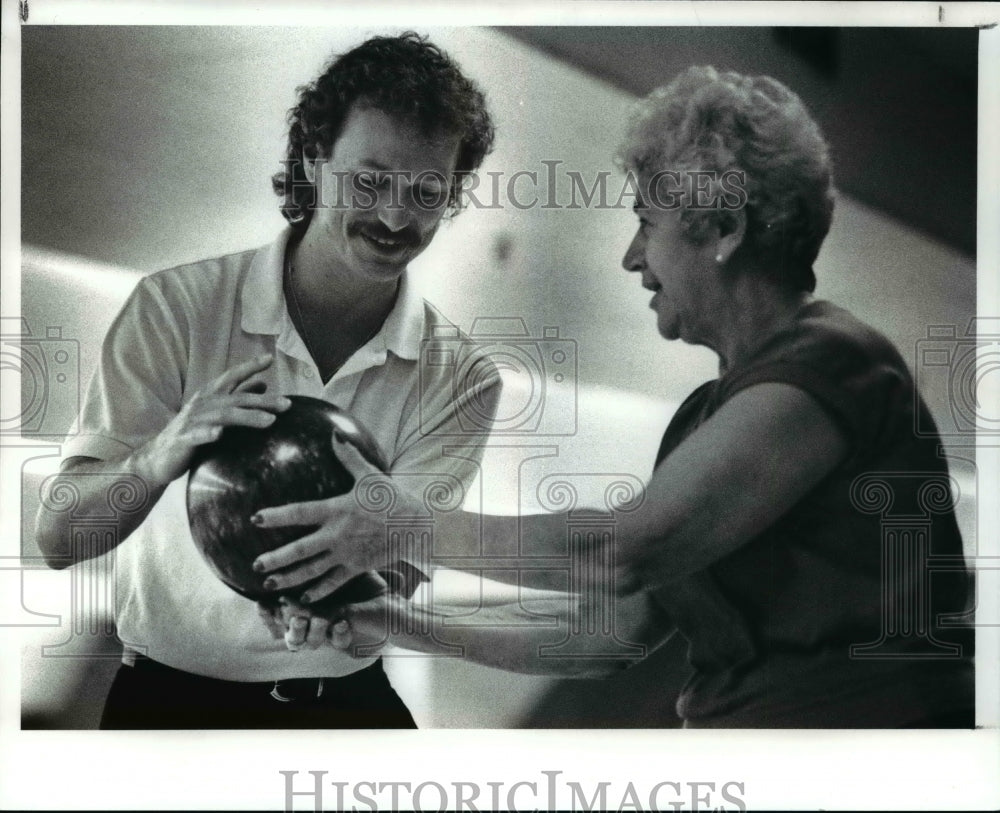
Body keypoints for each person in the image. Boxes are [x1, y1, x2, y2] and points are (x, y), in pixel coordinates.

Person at [254, 66, 976, 728]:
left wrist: (400, 526)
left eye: (645, 224)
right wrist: (391, 621)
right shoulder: (704, 416)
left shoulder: (834, 361)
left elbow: (616, 552)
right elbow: (610, 632)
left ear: (723, 229)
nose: (632, 256)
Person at [34, 32, 503, 729]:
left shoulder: (462, 376)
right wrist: (159, 456)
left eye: (427, 191)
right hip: (167, 708)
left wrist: (353, 620)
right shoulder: (175, 308)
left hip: (347, 713)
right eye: (369, 180)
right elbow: (59, 537)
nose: (397, 216)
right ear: (315, 162)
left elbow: (399, 569)